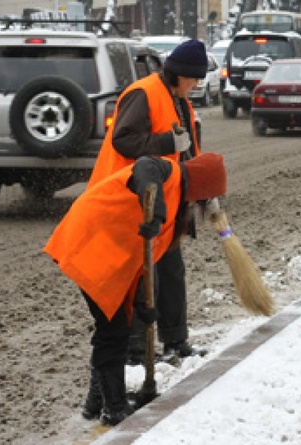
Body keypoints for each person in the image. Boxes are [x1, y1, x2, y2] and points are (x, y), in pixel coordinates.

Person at [44, 152, 228, 426]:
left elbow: (143, 257)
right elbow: (144, 167)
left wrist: (143, 304)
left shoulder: (177, 204)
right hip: (91, 241)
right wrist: (156, 211)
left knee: (115, 326)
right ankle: (113, 406)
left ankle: (97, 401)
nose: (200, 206)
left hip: (107, 251)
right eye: (204, 198)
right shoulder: (167, 172)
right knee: (113, 330)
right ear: (200, 185)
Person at [86, 40, 209, 367]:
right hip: (133, 200)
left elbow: (186, 150)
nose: (196, 85)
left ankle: (176, 341)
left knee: (171, 272)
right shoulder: (144, 93)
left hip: (166, 199)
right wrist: (167, 142)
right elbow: (123, 139)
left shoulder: (178, 97)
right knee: (143, 279)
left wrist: (199, 185)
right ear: (180, 73)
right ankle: (136, 352)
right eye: (194, 78)